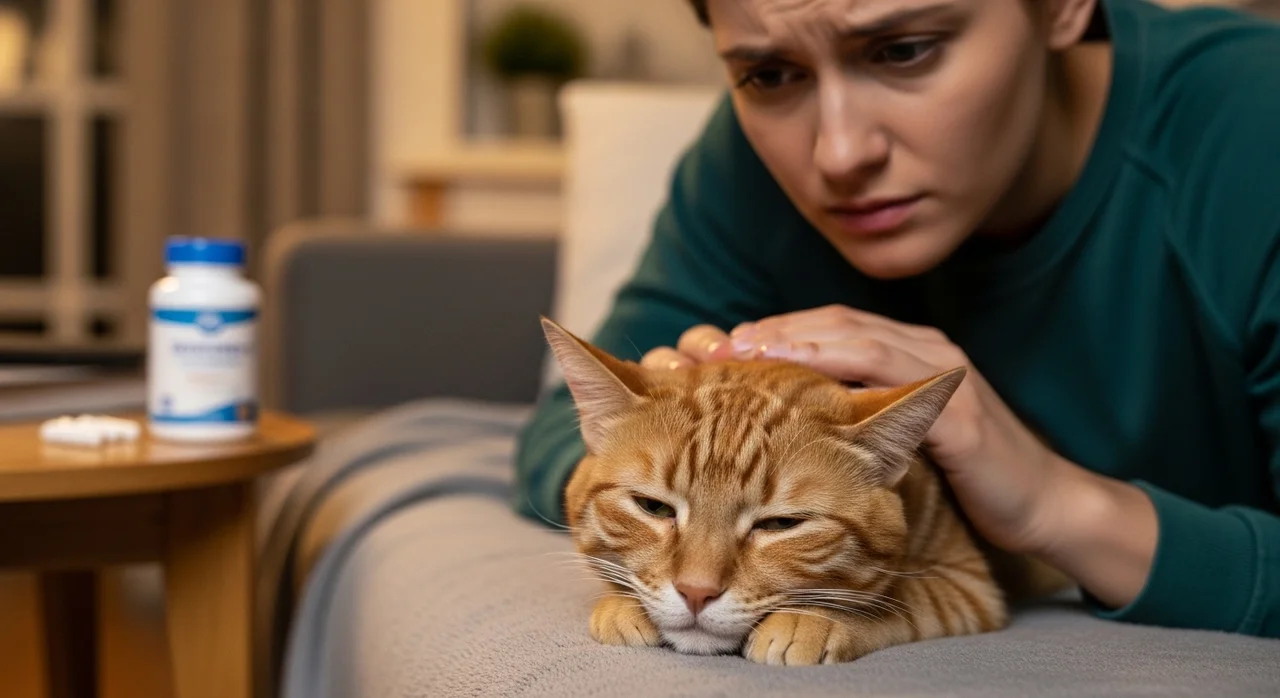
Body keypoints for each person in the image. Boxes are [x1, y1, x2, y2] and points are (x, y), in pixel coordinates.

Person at [513, 0, 1280, 639]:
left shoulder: (1255, 128)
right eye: (770, 73)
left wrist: (1057, 505)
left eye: (905, 49)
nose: (839, 153)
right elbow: (559, 432)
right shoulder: (745, 159)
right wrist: (658, 427)